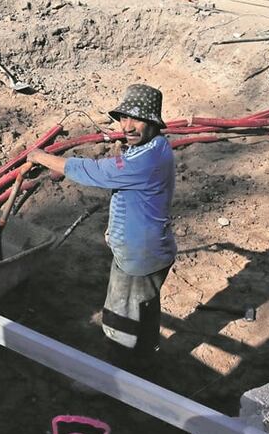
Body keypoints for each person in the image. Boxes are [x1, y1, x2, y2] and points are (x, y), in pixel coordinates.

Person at [27, 84, 176, 358]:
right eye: (124, 118)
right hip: (154, 249)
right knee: (144, 310)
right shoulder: (157, 146)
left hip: (138, 257)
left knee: (121, 320)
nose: (127, 127)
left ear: (153, 122)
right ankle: (145, 360)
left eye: (137, 119)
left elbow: (94, 172)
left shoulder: (145, 161)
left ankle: (113, 377)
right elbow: (125, 175)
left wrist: (41, 157)